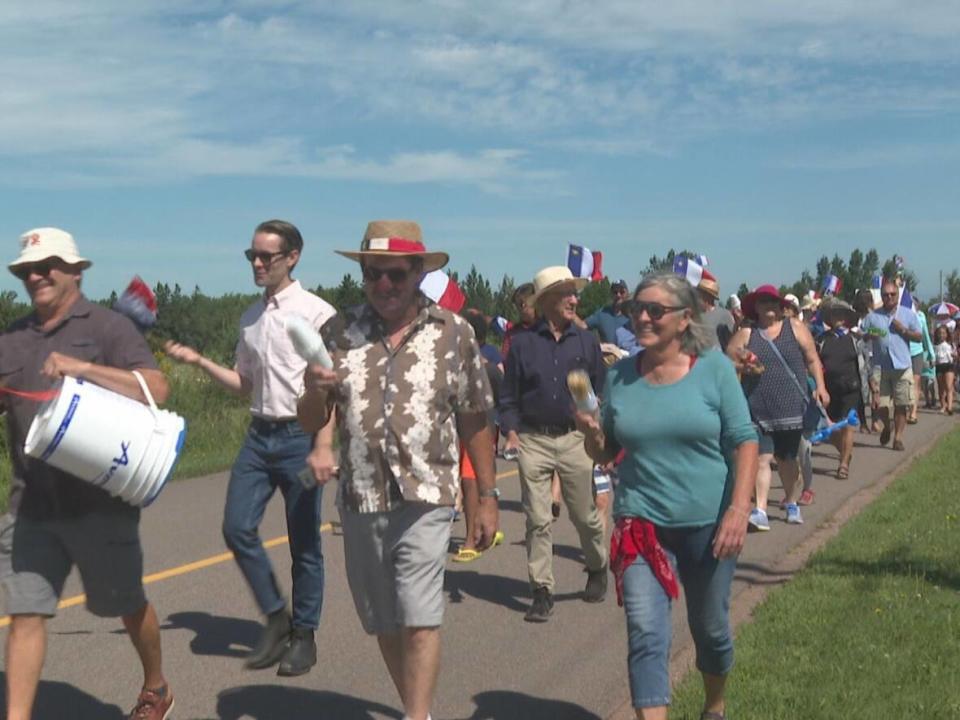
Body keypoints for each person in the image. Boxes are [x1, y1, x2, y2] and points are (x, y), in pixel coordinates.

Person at [297, 220, 499, 720]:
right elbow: (310, 419)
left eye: (395, 276)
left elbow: (475, 415)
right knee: (382, 619)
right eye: (373, 275)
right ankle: (418, 707)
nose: (383, 286)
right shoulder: (339, 333)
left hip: (428, 492)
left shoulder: (453, 333)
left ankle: (416, 716)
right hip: (362, 495)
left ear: (417, 274)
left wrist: (488, 495)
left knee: (420, 615)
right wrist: (316, 389)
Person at [0, 228, 174, 720]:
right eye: (26, 269)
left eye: (46, 265)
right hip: (29, 503)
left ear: (75, 271)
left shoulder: (108, 328)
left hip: (101, 506)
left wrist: (82, 368)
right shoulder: (11, 340)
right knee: (26, 614)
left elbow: (157, 389)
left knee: (126, 603)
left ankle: (156, 687)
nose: (34, 275)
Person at [574, 272, 758, 720]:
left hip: (709, 525)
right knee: (645, 632)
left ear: (684, 318)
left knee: (710, 629)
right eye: (638, 307)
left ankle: (714, 705)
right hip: (642, 525)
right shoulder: (618, 377)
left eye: (655, 310)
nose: (642, 317)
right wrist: (593, 436)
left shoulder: (713, 368)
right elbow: (608, 451)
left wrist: (739, 509)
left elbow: (744, 439)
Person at [164, 220, 334, 676]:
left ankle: (304, 635)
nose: (257, 264)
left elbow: (330, 388)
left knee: (304, 543)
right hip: (259, 440)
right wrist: (200, 361)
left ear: (293, 257)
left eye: (266, 256)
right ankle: (276, 616)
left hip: (300, 439)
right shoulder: (250, 319)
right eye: (251, 256)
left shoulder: (318, 313)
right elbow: (245, 384)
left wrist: (322, 445)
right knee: (237, 527)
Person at [500, 266, 609, 622]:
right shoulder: (522, 344)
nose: (575, 300)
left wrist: (593, 417)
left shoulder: (586, 341)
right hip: (534, 440)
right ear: (546, 300)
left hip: (574, 439)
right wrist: (511, 430)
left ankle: (597, 566)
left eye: (574, 294)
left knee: (585, 516)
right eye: (567, 294)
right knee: (538, 518)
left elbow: (597, 388)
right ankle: (541, 591)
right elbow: (509, 396)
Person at [727, 284, 829, 529]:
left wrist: (821, 387)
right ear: (756, 308)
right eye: (763, 302)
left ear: (780, 306)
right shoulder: (746, 334)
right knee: (762, 458)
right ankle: (760, 510)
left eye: (773, 302)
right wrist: (743, 366)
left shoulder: (794, 327)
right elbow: (728, 361)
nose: (769, 306)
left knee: (787, 459)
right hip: (758, 406)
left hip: (790, 407)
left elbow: (812, 358)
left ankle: (792, 502)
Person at [861, 280, 922, 451]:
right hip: (881, 367)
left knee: (902, 404)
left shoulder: (908, 315)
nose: (889, 297)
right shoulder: (873, 316)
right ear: (881, 296)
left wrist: (903, 329)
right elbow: (861, 335)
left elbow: (919, 337)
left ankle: (898, 438)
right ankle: (887, 427)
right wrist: (868, 336)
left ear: (897, 295)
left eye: (892, 294)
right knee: (881, 405)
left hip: (902, 366)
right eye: (886, 295)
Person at [818, 300, 863, 479]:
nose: (836, 317)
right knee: (831, 431)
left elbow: (863, 364)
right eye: (833, 314)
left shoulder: (854, 339)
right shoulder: (821, 340)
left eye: (840, 314)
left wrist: (872, 387)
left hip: (851, 388)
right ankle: (845, 451)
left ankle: (843, 464)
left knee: (848, 425)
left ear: (845, 318)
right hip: (829, 390)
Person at [907, 300, 935, 424]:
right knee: (907, 384)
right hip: (904, 353)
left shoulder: (921, 318)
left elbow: (926, 337)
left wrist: (931, 354)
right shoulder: (901, 316)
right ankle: (908, 408)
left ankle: (913, 412)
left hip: (917, 352)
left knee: (916, 382)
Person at [696, 270, 735, 351]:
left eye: (699, 294)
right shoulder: (693, 315)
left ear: (708, 296)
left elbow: (732, 341)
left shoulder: (724, 315)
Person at [586, 278, 631, 344]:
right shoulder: (602, 313)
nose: (618, 295)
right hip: (609, 353)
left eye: (622, 292)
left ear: (627, 293)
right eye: (615, 292)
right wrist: (572, 315)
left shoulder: (635, 314)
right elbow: (582, 325)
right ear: (611, 295)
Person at [932, 324, 955, 414]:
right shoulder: (935, 346)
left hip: (948, 365)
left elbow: (952, 355)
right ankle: (943, 406)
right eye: (940, 333)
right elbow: (934, 357)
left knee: (949, 387)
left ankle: (949, 407)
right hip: (939, 366)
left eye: (943, 333)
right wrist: (932, 362)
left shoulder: (949, 345)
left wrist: (953, 357)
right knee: (941, 388)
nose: (941, 335)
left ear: (946, 334)